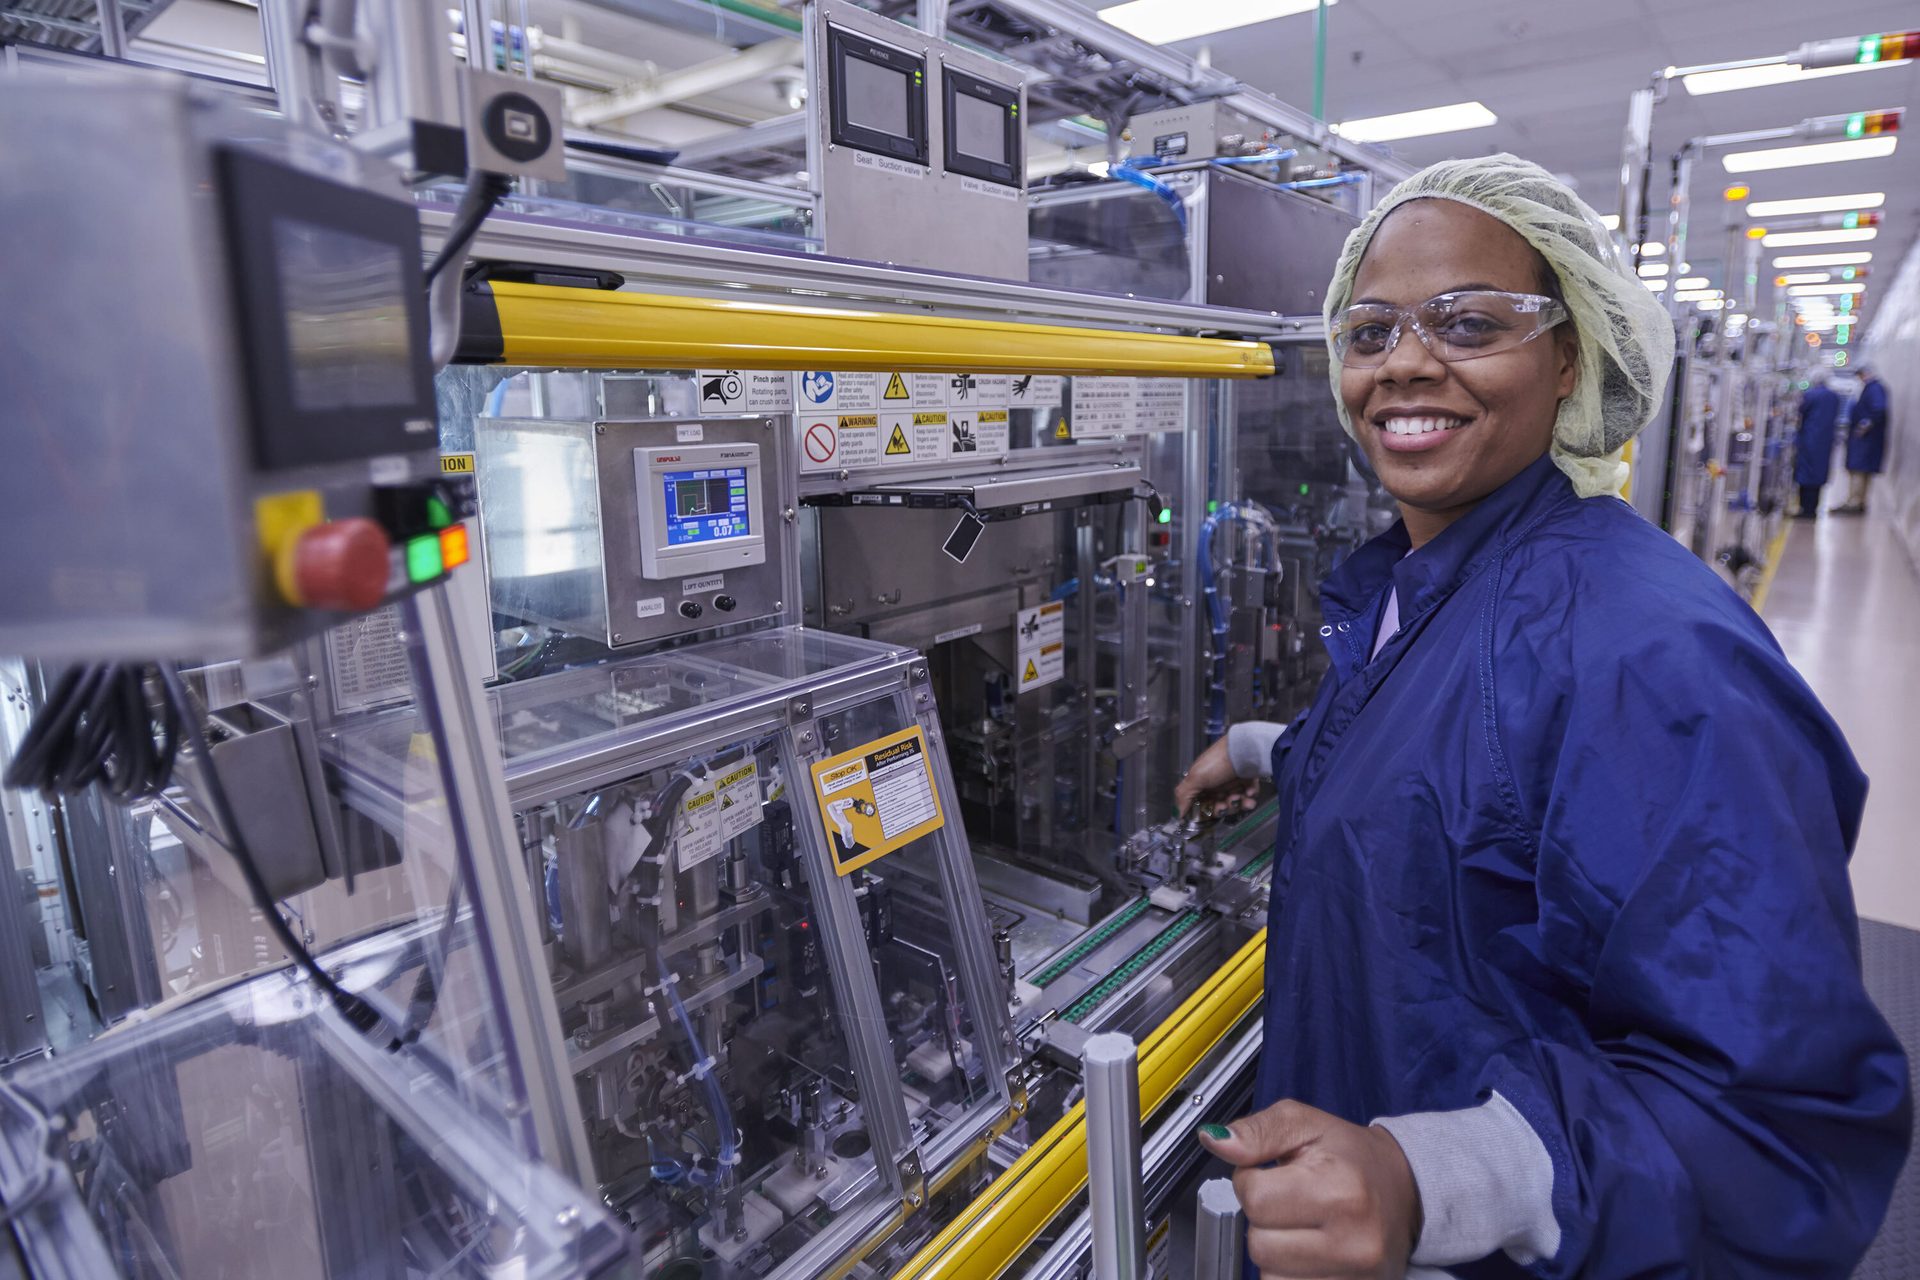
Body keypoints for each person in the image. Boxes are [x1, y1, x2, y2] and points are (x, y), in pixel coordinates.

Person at [1174, 155, 1909, 1279]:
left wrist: (1433, 1180)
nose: (1406, 362)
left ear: (1570, 354)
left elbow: (1777, 1125)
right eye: (1370, 331)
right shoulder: (1427, 579)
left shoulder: (1655, 657)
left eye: (1469, 322)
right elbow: (1455, 778)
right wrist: (1278, 750)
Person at [1834, 365, 1890, 515]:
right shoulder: (1873, 388)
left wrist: (1864, 425)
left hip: (1866, 440)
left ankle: (1855, 502)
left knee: (1858, 469)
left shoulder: (1874, 389)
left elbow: (1878, 409)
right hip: (1867, 439)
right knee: (1862, 470)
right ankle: (1859, 501)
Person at [1792, 371, 1841, 519]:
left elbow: (1800, 411)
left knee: (1806, 473)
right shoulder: (1834, 397)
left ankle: (1805, 509)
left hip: (1809, 437)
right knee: (1819, 474)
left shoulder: (1811, 395)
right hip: (1825, 440)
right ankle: (1813, 508)